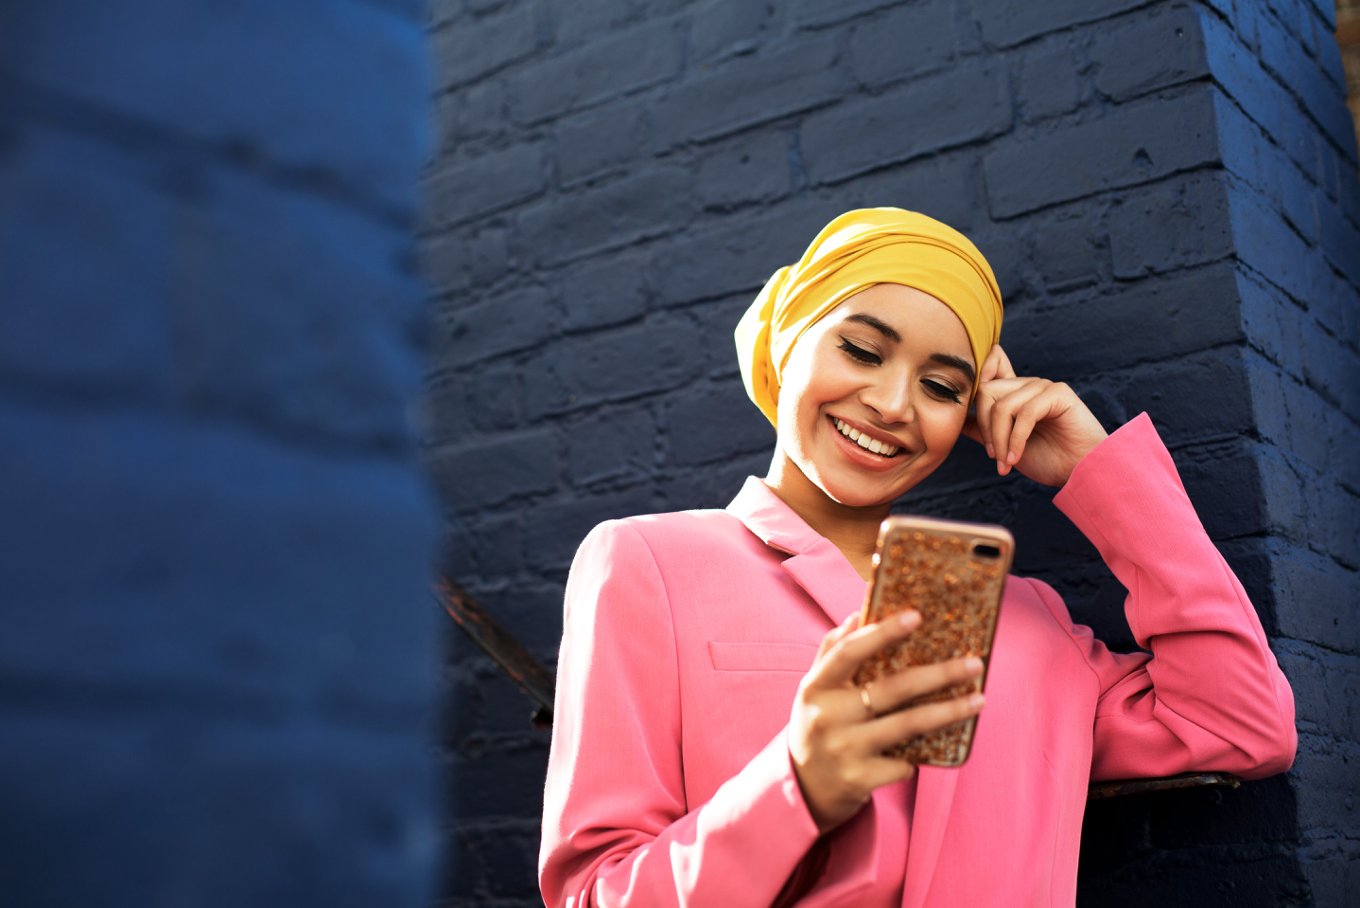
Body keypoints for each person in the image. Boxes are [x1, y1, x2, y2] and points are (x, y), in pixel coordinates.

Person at [538, 209, 1296, 908]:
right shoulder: (649, 562)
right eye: (862, 349)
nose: (895, 403)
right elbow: (593, 893)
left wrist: (1095, 473)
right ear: (785, 338)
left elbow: (1244, 723)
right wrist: (797, 784)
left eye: (940, 386)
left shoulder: (1025, 619)